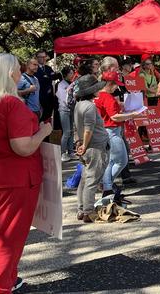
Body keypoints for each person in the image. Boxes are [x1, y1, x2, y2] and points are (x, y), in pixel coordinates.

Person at [0, 53, 52, 293]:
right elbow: (22, 147)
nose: (21, 74)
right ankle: (3, 284)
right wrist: (43, 131)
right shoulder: (11, 104)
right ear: (11, 74)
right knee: (10, 237)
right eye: (19, 70)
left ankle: (9, 279)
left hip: (5, 177)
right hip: (17, 179)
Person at [94, 71, 140, 199]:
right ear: (109, 83)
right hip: (111, 131)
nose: (116, 87)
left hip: (103, 130)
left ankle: (106, 186)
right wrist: (132, 115)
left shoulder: (97, 95)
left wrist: (120, 106)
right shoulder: (107, 97)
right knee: (120, 160)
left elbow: (108, 110)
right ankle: (106, 186)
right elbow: (114, 116)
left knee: (112, 160)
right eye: (115, 85)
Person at [73, 74, 110, 223]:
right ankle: (88, 211)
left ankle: (81, 209)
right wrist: (84, 145)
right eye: (96, 88)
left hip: (87, 145)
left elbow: (77, 128)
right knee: (92, 180)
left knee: (84, 179)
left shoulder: (78, 105)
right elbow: (88, 129)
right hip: (94, 146)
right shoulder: (90, 106)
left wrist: (79, 144)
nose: (99, 90)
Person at [56, 66, 76, 161]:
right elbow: (64, 99)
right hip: (64, 110)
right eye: (71, 73)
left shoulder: (71, 83)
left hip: (72, 109)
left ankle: (71, 151)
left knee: (71, 131)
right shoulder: (61, 84)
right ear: (66, 74)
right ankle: (63, 152)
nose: (72, 75)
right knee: (66, 131)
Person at [34, 50, 59, 121]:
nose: (43, 58)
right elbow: (40, 79)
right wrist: (48, 77)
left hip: (49, 98)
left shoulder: (48, 68)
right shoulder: (35, 68)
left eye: (44, 57)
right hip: (39, 98)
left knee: (47, 118)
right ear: (36, 58)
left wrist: (48, 77)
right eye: (40, 57)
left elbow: (54, 76)